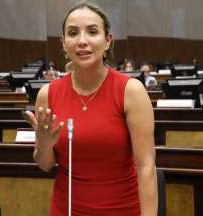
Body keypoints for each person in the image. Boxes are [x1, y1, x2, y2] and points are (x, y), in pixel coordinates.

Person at [25, 1, 157, 215]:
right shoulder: (47, 94)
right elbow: (45, 165)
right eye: (73, 33)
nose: (82, 41)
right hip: (66, 209)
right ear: (64, 44)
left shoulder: (131, 91)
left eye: (92, 32)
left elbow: (146, 167)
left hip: (122, 209)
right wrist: (44, 145)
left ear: (107, 41)